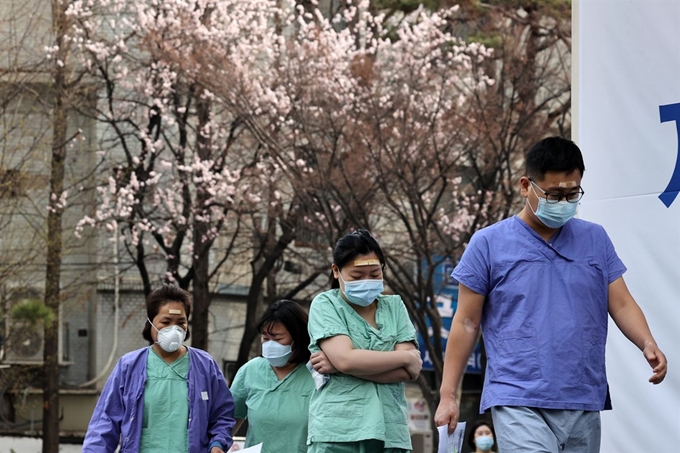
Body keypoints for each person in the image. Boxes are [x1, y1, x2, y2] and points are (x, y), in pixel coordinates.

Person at [434, 137, 667, 453]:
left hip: (583, 396)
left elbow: (621, 302)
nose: (564, 202)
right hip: (518, 397)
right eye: (555, 194)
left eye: (573, 194)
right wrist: (449, 394)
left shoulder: (595, 239)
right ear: (526, 186)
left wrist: (647, 342)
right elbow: (466, 323)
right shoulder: (488, 244)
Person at [307, 229, 422, 453]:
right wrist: (405, 356)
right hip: (338, 432)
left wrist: (339, 368)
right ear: (336, 271)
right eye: (357, 276)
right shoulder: (325, 305)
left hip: (390, 433)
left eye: (375, 273)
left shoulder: (395, 306)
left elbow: (408, 373)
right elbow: (347, 359)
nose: (367, 281)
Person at [83, 284, 235, 452]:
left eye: (180, 322)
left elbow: (223, 414)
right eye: (166, 322)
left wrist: (218, 443)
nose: (174, 329)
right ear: (151, 323)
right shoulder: (129, 366)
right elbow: (105, 422)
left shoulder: (205, 366)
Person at [229, 299, 314, 453]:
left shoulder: (316, 373)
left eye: (278, 339)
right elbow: (227, 422)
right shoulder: (250, 371)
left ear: (298, 338)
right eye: (265, 338)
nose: (270, 344)